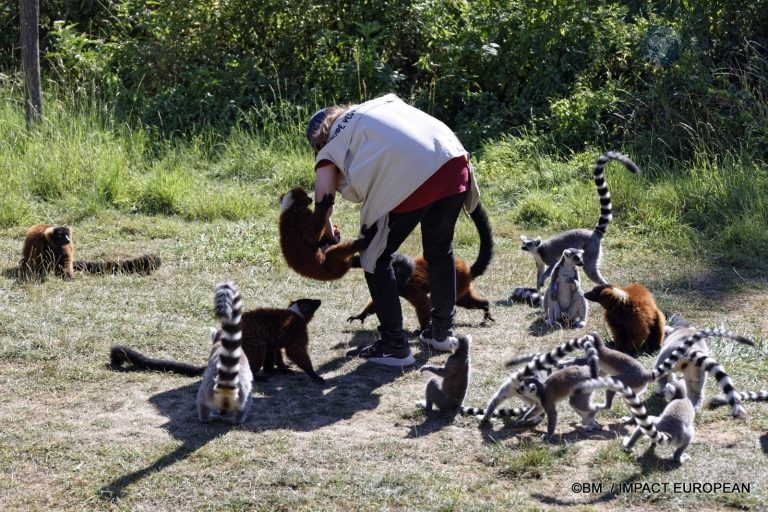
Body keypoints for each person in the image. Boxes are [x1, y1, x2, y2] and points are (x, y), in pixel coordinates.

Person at [306, 94, 480, 367]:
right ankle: (441, 333)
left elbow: (323, 202)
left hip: (414, 172)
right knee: (439, 249)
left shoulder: (331, 144)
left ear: (318, 140)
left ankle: (394, 346)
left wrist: (328, 238)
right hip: (454, 159)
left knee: (375, 257)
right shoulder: (378, 107)